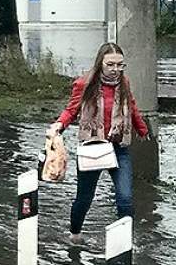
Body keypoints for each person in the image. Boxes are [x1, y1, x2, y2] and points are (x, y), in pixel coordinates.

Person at [47, 42, 149, 244]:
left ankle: (124, 244)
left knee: (125, 198)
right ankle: (75, 235)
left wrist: (142, 128)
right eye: (110, 64)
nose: (116, 69)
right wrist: (59, 125)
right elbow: (72, 110)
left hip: (119, 146)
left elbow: (131, 106)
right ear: (100, 63)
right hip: (93, 147)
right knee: (84, 199)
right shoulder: (84, 84)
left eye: (120, 65)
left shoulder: (124, 82)